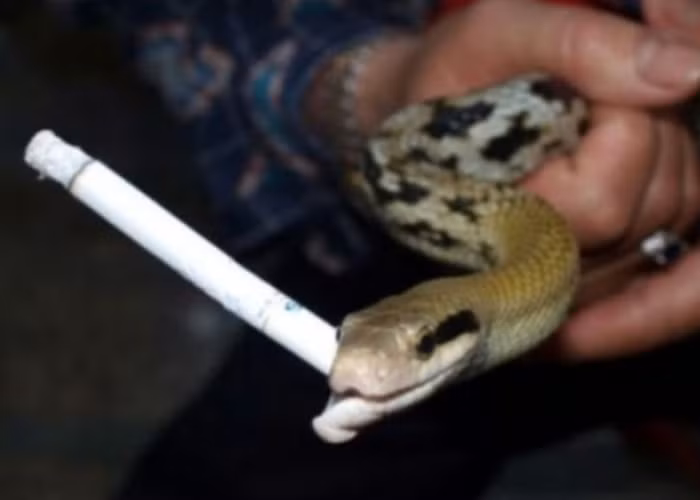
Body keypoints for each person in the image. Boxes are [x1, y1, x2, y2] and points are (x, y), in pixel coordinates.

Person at [51, 0, 700, 498]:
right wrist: (358, 85)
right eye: (349, 339)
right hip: (372, 232)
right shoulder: (473, 280)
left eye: (418, 345)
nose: (352, 371)